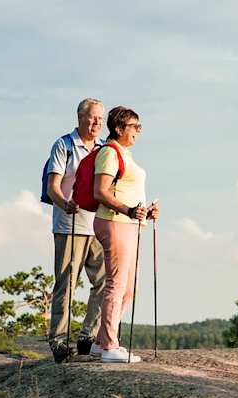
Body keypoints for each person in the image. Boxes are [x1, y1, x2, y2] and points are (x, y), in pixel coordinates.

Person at [92, 106, 160, 363]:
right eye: (135, 126)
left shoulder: (124, 154)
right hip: (114, 222)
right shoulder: (109, 152)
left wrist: (145, 212)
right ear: (119, 128)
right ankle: (110, 346)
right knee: (117, 284)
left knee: (128, 288)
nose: (139, 131)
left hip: (128, 224)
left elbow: (125, 192)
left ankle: (100, 342)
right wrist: (129, 211)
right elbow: (100, 191)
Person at [44, 98, 107, 361]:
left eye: (101, 118)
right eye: (93, 117)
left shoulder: (104, 148)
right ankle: (59, 341)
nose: (97, 123)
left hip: (98, 225)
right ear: (80, 117)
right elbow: (53, 187)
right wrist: (64, 203)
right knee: (67, 284)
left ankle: (86, 337)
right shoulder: (64, 145)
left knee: (105, 281)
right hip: (69, 225)